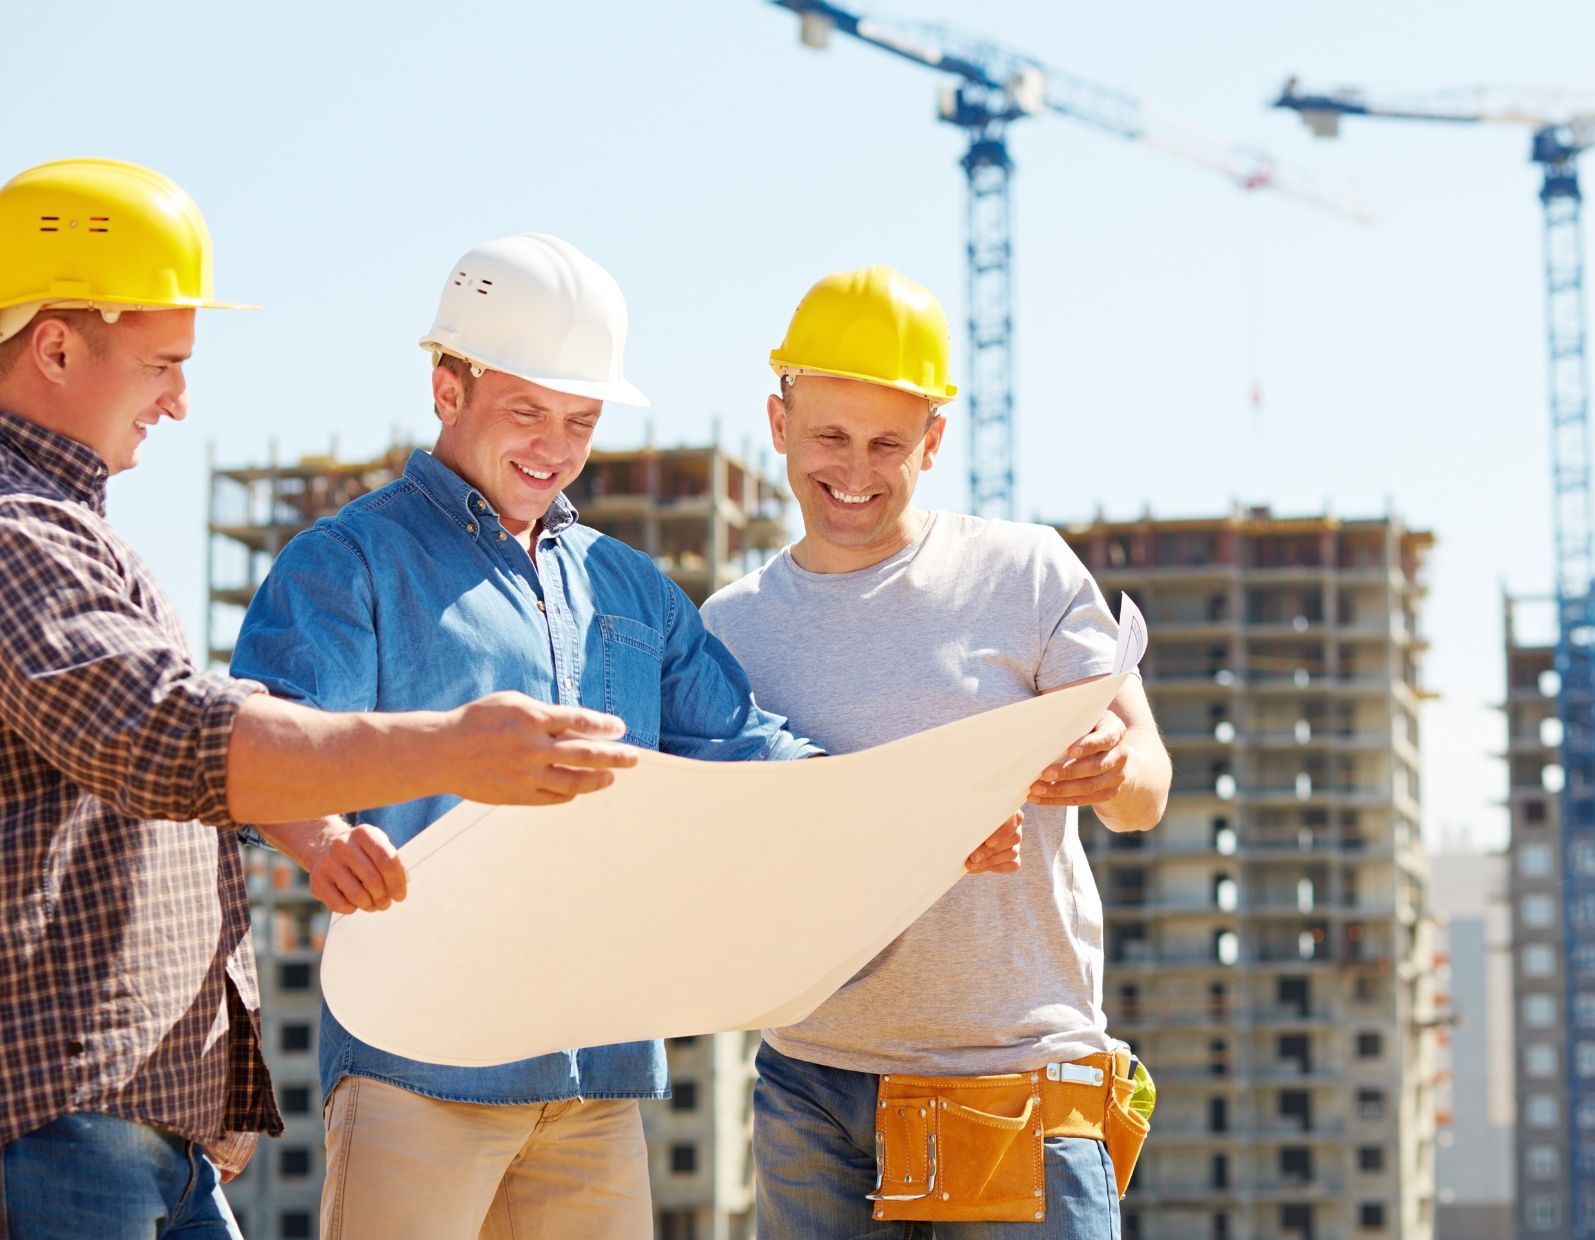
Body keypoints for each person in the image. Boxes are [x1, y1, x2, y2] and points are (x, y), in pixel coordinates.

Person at [227, 233, 1024, 1239]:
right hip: (418, 1062)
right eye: (527, 411)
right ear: (446, 388)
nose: (554, 447)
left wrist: (920, 815)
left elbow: (749, 748)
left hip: (593, 1075)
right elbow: (261, 739)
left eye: (581, 420)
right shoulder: (350, 564)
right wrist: (322, 837)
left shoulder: (626, 588)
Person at [0, 161, 637, 1240]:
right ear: (56, 346)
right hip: (65, 1124)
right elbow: (167, 734)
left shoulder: (72, 529)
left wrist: (306, 824)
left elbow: (179, 755)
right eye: (163, 363)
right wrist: (451, 747)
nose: (180, 399)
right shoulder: (18, 530)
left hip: (141, 1125)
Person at [701, 264, 1174, 1238]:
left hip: (1015, 1078)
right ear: (779, 423)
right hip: (812, 1086)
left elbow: (1146, 789)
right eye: (829, 436)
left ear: (934, 440)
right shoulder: (730, 630)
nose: (855, 470)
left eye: (888, 443)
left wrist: (1114, 769)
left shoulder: (1025, 572)